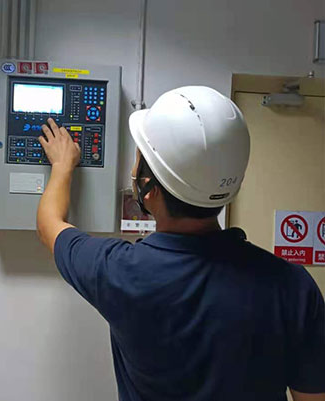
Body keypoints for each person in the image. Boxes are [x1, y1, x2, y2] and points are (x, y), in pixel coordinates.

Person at [36, 86, 325, 401]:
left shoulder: (117, 271)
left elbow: (50, 224)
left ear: (149, 188)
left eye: (139, 160)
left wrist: (62, 167)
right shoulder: (292, 285)